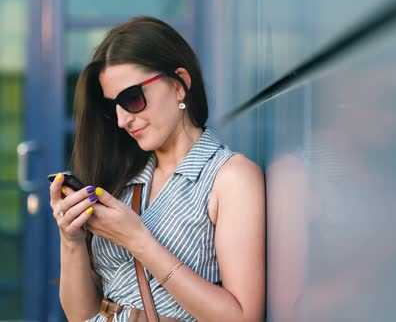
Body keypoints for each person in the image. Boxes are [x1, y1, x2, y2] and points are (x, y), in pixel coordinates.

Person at [48, 16, 265, 322]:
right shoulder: (124, 178)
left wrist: (138, 240)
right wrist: (69, 239)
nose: (123, 120)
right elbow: (80, 314)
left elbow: (242, 318)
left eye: (132, 98)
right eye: (114, 107)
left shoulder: (230, 178)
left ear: (179, 85)